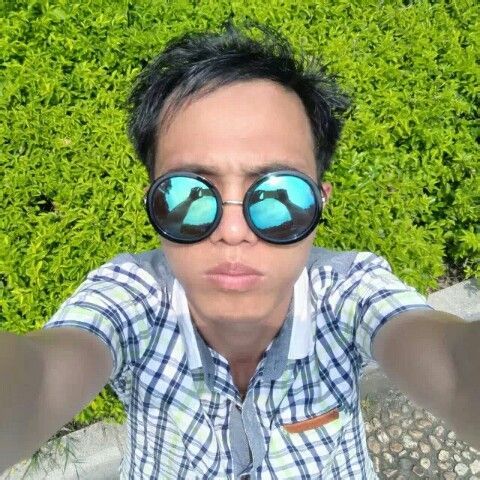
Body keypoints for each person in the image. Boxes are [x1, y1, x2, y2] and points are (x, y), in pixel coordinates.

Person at [1, 22, 478, 480]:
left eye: (279, 195)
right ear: (152, 201)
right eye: (189, 193)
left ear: (321, 201)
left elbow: (455, 367)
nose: (233, 232)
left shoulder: (350, 292)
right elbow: (39, 379)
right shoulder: (129, 300)